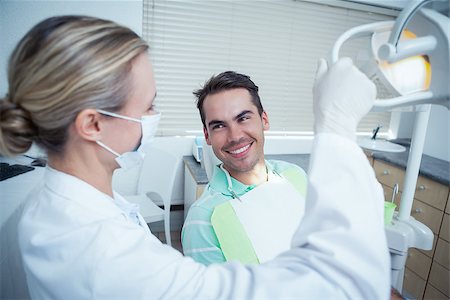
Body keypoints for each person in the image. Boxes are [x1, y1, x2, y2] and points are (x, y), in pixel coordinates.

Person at [0, 15, 390, 299]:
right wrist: (337, 125)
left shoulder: (71, 210)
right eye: (148, 106)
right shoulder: (96, 249)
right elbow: (341, 286)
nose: (154, 119)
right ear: (92, 125)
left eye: (244, 118)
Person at [182, 71, 308, 265]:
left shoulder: (295, 176)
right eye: (219, 126)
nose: (234, 136)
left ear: (264, 120)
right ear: (207, 136)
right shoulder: (202, 220)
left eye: (243, 118)